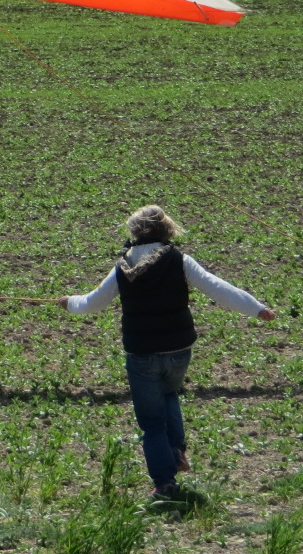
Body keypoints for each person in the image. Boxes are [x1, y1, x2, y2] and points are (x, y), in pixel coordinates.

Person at [58, 205, 274, 499]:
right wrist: (257, 308)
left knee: (151, 422)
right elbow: (217, 287)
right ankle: (176, 452)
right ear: (168, 229)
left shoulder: (123, 266)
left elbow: (93, 302)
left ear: (134, 231)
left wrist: (69, 302)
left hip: (142, 353)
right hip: (179, 348)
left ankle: (164, 483)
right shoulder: (179, 260)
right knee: (169, 394)